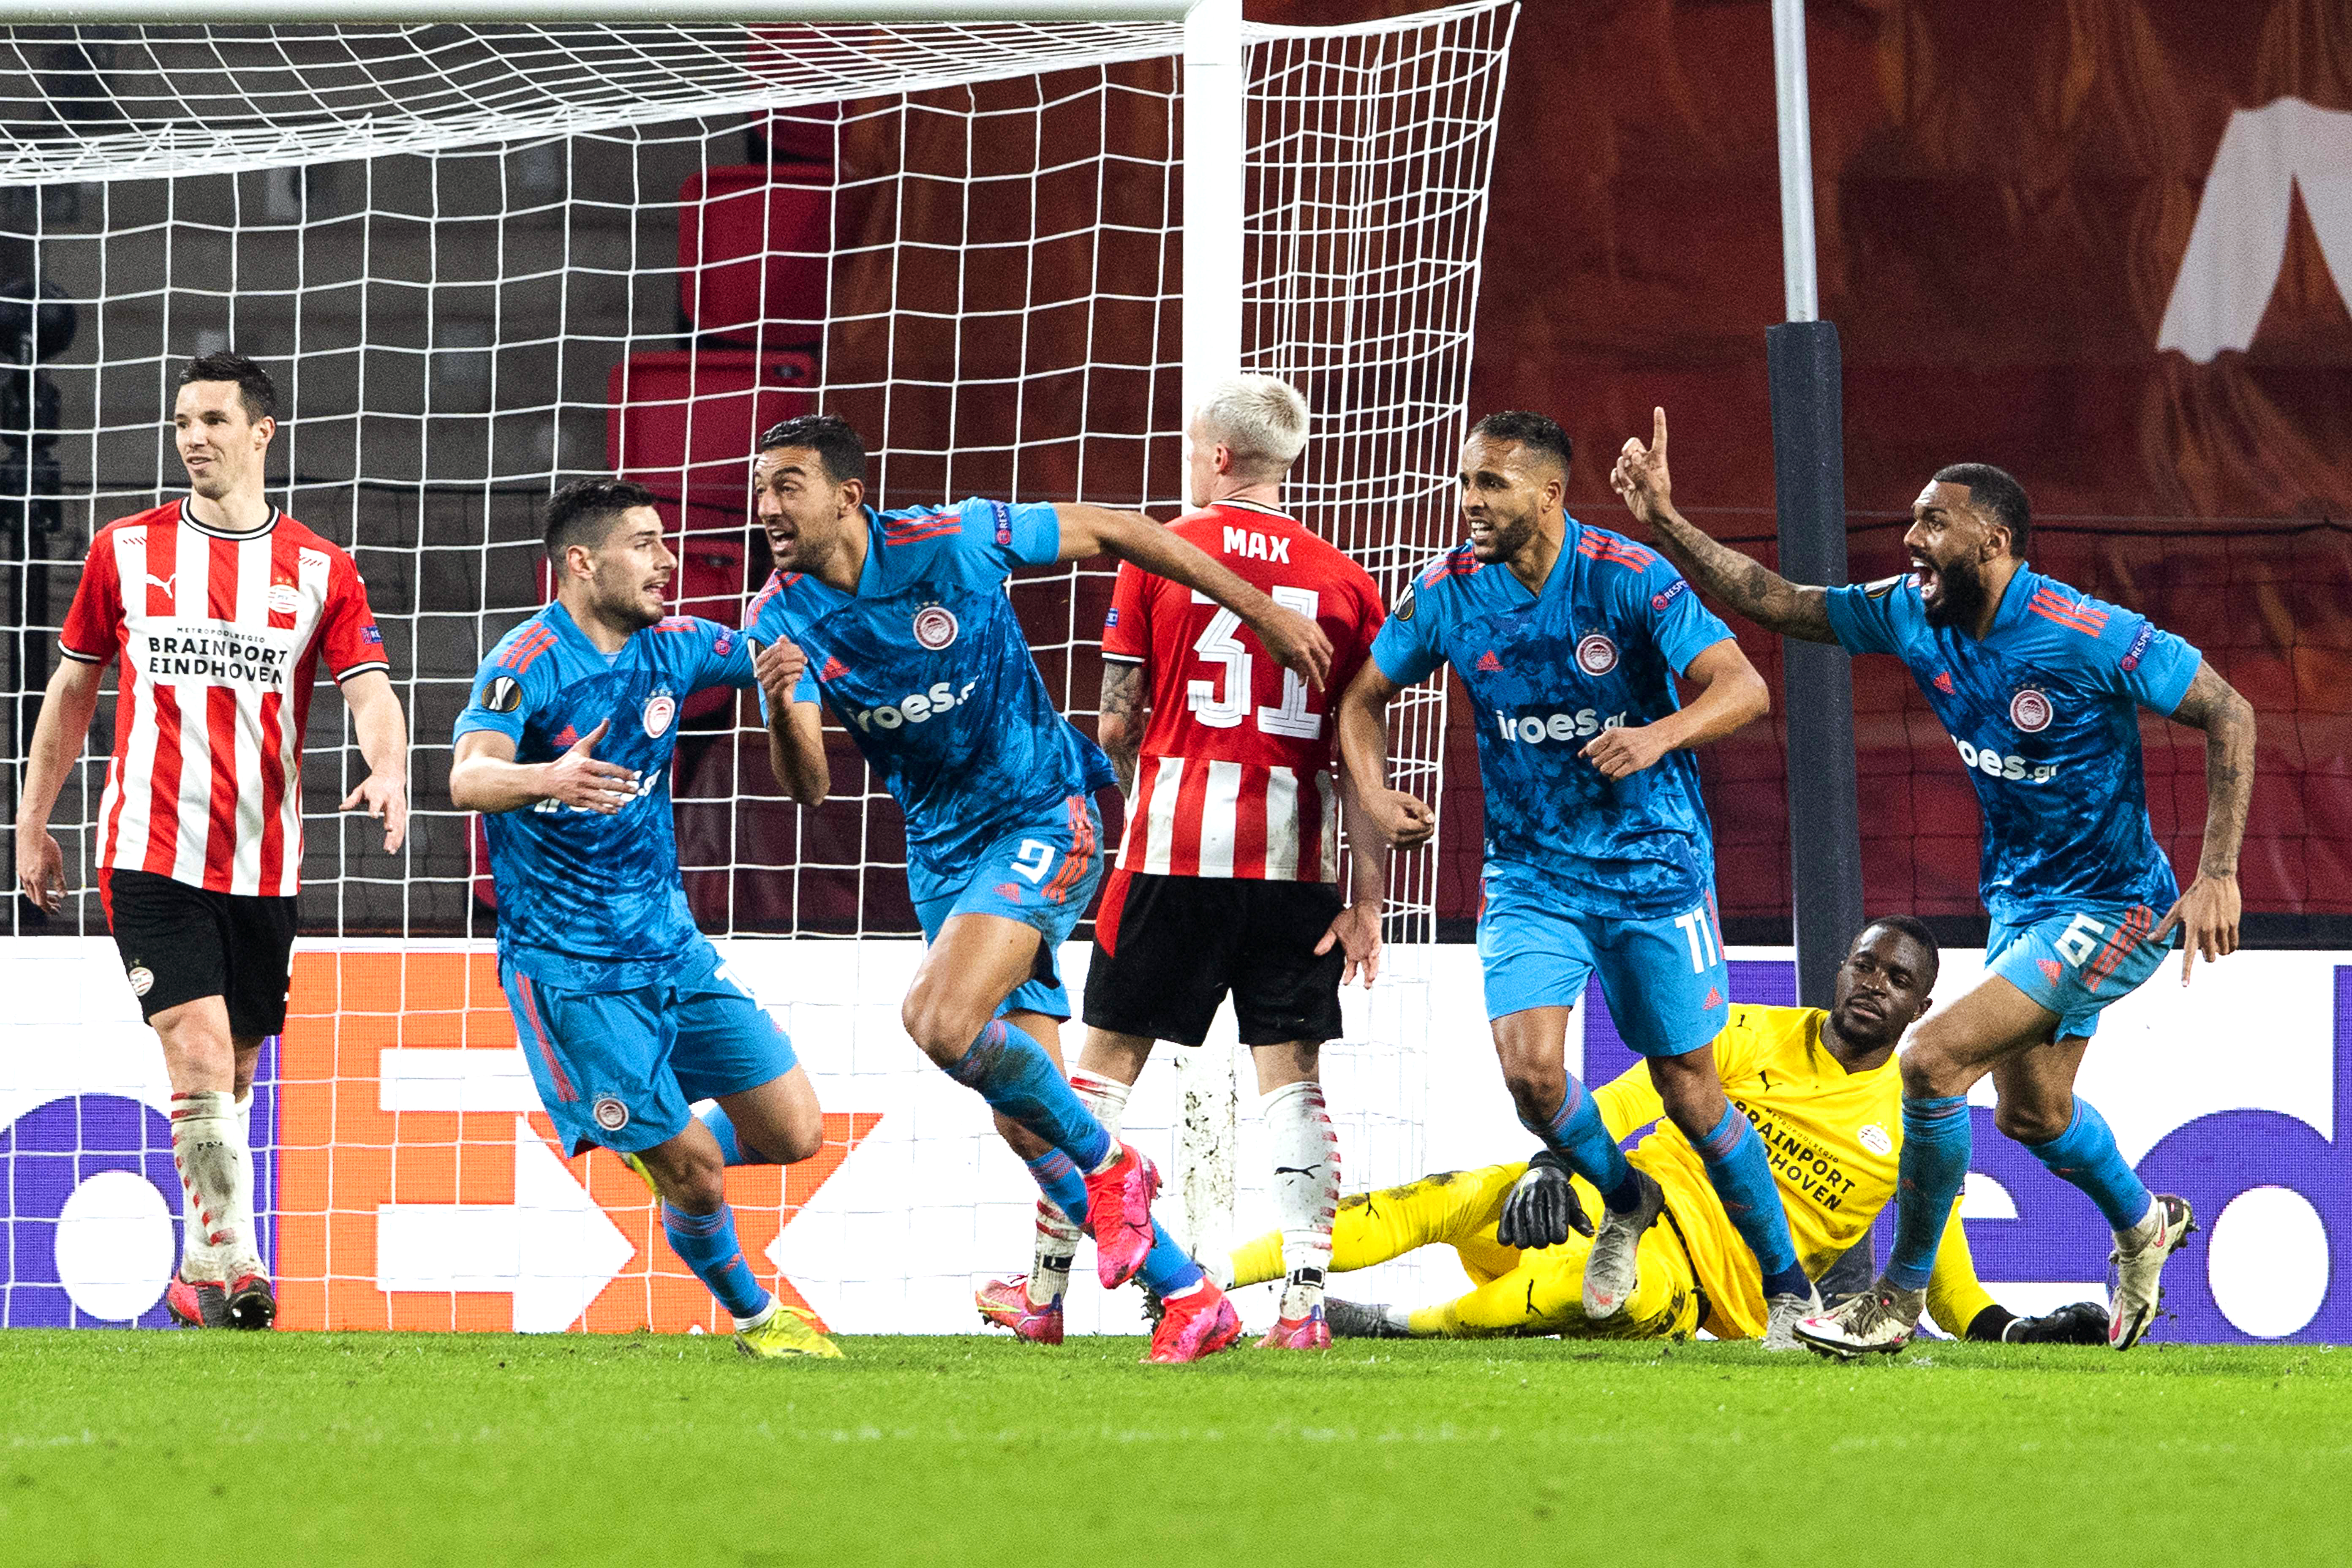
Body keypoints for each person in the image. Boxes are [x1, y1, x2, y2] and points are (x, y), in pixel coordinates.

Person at [1608, 408, 2257, 1356]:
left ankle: (1896, 1301)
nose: (1910, 539)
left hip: (2117, 904)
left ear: (1992, 540)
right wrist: (1666, 520)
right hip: (2025, 902)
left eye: (1932, 522)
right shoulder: (1913, 611)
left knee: (1931, 1058)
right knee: (2032, 1113)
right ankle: (2143, 1224)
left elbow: (2230, 709)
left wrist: (2222, 872)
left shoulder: (2086, 632)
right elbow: (1784, 601)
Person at [744, 413, 1334, 1364]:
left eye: (787, 485)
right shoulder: (778, 616)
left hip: (1044, 813)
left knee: (938, 1020)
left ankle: (1118, 1166)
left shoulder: (958, 538)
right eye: (761, 487)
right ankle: (1189, 1295)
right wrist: (782, 712)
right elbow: (809, 785)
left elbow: (1126, 531)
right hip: (944, 856)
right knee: (1026, 1119)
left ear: (848, 496)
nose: (766, 505)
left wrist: (1259, 610)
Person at [1334, 411, 1825, 1344]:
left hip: (1655, 868)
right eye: (1468, 481)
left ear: (1550, 494)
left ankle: (1789, 1287)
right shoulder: (1447, 590)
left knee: (1690, 1087)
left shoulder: (1627, 576)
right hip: (1532, 872)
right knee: (1529, 1075)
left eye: (1493, 485)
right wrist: (1374, 786)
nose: (1471, 502)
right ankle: (1627, 1198)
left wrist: (1657, 734)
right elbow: (1363, 700)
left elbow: (1744, 687)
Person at [973, 376, 1388, 1351]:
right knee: (1293, 1080)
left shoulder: (1160, 547)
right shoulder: (1346, 580)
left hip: (1174, 850)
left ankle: (1046, 1293)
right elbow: (1362, 753)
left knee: (1101, 1075)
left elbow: (1119, 717)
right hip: (1297, 869)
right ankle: (1303, 1308)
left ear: (1216, 458)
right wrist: (1369, 898)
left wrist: (1146, 777)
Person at [14, 351, 408, 1332]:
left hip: (264, 861)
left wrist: (392, 767)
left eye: (214, 420)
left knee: (232, 1070)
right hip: (147, 851)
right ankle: (239, 1269)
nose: (194, 436)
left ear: (261, 432)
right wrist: (32, 821)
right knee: (193, 1055)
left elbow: (370, 691)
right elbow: (72, 693)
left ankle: (198, 1265)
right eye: (183, 420)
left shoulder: (323, 568)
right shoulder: (126, 552)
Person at [1225, 919, 2110, 1348]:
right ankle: (1212, 1274)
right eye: (1864, 963)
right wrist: (1551, 1160)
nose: (1874, 984)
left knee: (1590, 1290)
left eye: (1898, 978)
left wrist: (2008, 1332)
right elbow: (1617, 1098)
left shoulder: (1918, 1117)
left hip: (1695, 1284)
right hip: (1618, 1201)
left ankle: (1390, 1325)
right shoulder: (1749, 1030)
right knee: (1451, 1197)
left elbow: (1938, 1270)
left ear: (1925, 1004)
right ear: (1841, 969)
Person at [450, 477, 837, 1360]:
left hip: (672, 951)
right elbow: (468, 777)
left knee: (796, 1131)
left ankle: (658, 1143)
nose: (668, 561)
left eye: (667, 542)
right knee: (697, 1172)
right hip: (572, 974)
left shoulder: (678, 645)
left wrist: (792, 664)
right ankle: (756, 1318)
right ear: (582, 562)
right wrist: (547, 777)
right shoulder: (526, 661)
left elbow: (770, 651)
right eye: (646, 544)